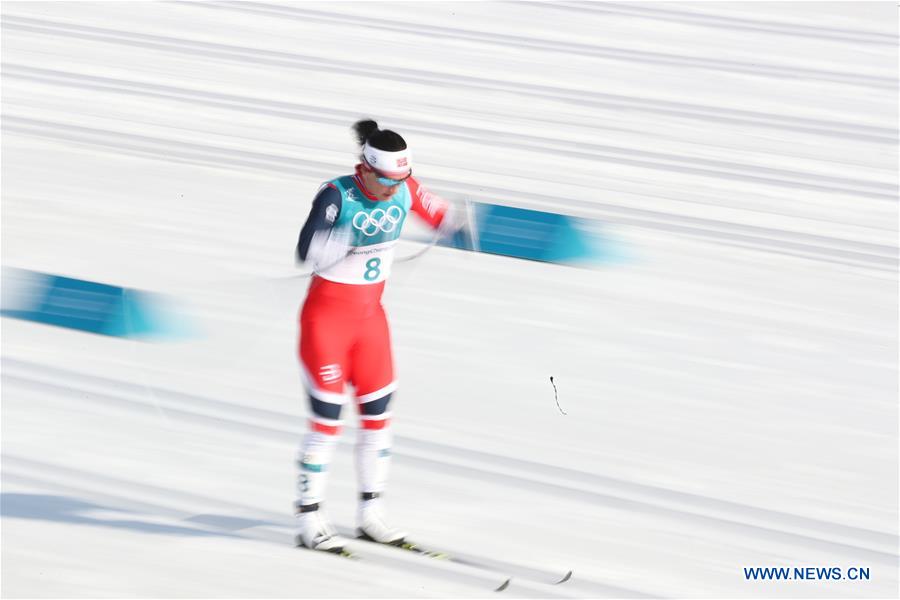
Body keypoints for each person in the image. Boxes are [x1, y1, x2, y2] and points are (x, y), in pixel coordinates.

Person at [293, 119, 463, 553]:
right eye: (386, 180)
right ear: (363, 168)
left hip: (370, 324)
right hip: (326, 324)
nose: (394, 189)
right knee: (327, 424)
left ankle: (370, 514)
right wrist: (339, 243)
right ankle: (310, 519)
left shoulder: (403, 188)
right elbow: (306, 248)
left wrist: (454, 222)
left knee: (378, 419)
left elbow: (441, 213)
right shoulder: (337, 194)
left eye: (400, 179)